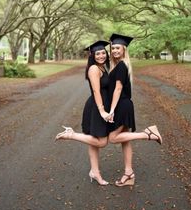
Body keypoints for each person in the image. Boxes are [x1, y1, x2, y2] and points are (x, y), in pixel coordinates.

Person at [107, 33, 162, 187]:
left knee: (112, 138)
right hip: (125, 105)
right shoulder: (119, 65)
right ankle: (129, 173)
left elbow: (118, 89)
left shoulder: (122, 66)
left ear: (124, 49)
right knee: (125, 140)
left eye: (117, 48)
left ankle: (148, 134)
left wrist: (111, 110)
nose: (114, 51)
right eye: (113, 48)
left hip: (121, 106)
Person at [55, 40, 111, 185]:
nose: (101, 55)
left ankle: (95, 172)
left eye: (103, 53)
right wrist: (102, 111)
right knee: (102, 142)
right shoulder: (94, 69)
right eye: (97, 53)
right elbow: (96, 91)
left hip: (100, 107)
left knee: (93, 142)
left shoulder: (103, 67)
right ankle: (71, 135)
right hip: (97, 108)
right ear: (92, 55)